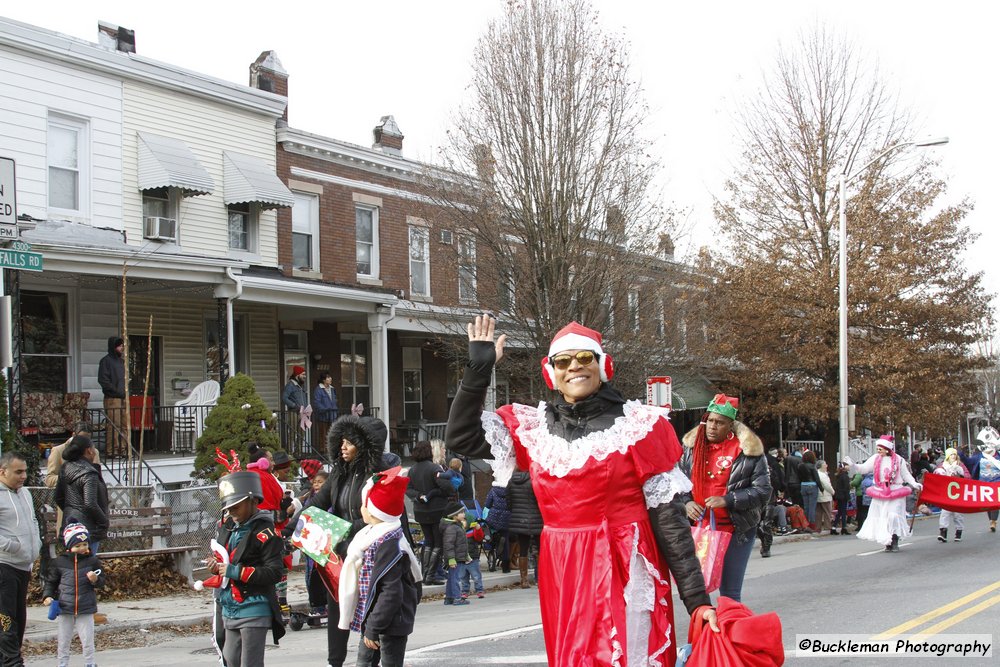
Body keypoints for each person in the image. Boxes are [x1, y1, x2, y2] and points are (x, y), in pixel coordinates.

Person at [446, 316, 717, 666]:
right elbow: (460, 437)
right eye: (563, 361)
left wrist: (698, 601)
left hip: (625, 565)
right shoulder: (532, 429)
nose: (574, 366)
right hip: (563, 570)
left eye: (585, 358)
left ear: (603, 366)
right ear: (551, 372)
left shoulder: (640, 426)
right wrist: (477, 371)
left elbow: (670, 524)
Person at [302, 414, 389, 667]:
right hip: (340, 555)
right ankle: (335, 662)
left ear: (363, 445)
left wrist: (343, 534)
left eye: (349, 442)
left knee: (369, 614)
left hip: (370, 554)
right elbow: (317, 505)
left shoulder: (379, 476)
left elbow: (377, 518)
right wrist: (293, 524)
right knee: (337, 609)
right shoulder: (339, 474)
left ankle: (370, 660)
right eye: (341, 441)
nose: (342, 447)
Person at [679, 394, 771, 602]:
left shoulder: (747, 450)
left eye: (719, 422)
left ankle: (730, 632)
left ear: (730, 425)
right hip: (699, 528)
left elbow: (763, 491)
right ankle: (707, 634)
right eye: (709, 420)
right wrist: (687, 502)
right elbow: (677, 484)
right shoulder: (691, 449)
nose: (712, 426)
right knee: (698, 591)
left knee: (729, 592)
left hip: (737, 529)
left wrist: (728, 499)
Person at [338, 466, 420, 667]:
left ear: (374, 510)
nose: (360, 509)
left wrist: (373, 627)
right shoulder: (374, 536)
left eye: (363, 505)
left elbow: (390, 592)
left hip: (388, 622)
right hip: (377, 618)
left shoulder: (388, 544)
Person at [844, 435, 922, 553]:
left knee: (893, 515)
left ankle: (894, 539)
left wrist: (914, 483)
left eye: (880, 448)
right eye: (878, 449)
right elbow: (863, 469)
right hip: (881, 492)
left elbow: (905, 474)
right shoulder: (875, 458)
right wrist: (853, 465)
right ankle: (887, 542)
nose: (878, 451)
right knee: (884, 518)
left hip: (895, 490)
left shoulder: (899, 459)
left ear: (887, 448)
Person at [0, 452, 43, 667]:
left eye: (25, 471)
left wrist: (37, 544)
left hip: (23, 565)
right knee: (5, 618)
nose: (23, 476)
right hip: (3, 565)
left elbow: (33, 520)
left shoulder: (24, 493)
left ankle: (7, 657)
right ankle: (12, 662)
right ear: (2, 472)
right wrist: (10, 545)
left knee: (19, 617)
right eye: (18, 472)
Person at [43, 522, 105, 667]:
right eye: (78, 545)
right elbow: (51, 582)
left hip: (85, 607)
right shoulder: (59, 562)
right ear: (69, 546)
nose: (82, 548)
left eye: (85, 544)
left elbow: (102, 581)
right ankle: (62, 663)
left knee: (88, 639)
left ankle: (90, 663)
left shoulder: (93, 561)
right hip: (65, 607)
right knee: (64, 639)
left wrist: (95, 580)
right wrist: (47, 596)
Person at [404, 441, 453, 586]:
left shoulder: (412, 470)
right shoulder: (434, 468)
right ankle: (430, 575)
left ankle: (425, 574)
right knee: (438, 543)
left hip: (420, 510)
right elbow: (447, 487)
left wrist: (419, 495)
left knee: (428, 541)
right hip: (437, 509)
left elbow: (409, 489)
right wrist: (439, 492)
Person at [54, 435, 109, 555]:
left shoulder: (65, 467)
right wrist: (104, 522)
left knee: (73, 567)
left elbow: (58, 497)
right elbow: (90, 504)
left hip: (70, 529)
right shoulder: (89, 473)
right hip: (88, 531)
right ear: (89, 450)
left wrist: (72, 510)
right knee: (86, 567)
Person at [506, 466, 543, 589]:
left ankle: (524, 580)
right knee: (539, 549)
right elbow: (540, 499)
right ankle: (541, 578)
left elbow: (508, 502)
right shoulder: (534, 480)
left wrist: (516, 512)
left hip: (519, 520)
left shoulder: (511, 482)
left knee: (523, 549)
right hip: (536, 519)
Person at [960, 430, 1000, 532]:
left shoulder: (998, 456)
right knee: (987, 504)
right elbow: (968, 461)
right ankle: (991, 519)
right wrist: (961, 453)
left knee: (995, 503)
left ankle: (993, 521)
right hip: (984, 484)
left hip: (997, 483)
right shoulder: (979, 456)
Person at [98, 336, 127, 456]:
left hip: (123, 398)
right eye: (120, 346)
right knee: (114, 425)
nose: (122, 348)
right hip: (112, 398)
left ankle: (123, 449)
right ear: (114, 347)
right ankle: (112, 450)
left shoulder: (121, 362)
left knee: (124, 425)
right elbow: (103, 380)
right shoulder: (106, 361)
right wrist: (115, 391)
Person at [934, 447, 971, 543]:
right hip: (947, 493)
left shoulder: (960, 465)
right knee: (945, 512)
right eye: (951, 455)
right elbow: (936, 476)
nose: (953, 456)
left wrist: (961, 473)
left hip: (958, 493)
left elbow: (968, 477)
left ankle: (958, 532)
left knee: (958, 514)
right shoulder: (942, 466)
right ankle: (943, 532)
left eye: (954, 454)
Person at [440, 502, 471, 606]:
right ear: (454, 515)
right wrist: (451, 559)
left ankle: (449, 598)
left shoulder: (457, 526)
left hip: (458, 557)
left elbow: (461, 543)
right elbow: (449, 545)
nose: (464, 514)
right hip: (455, 558)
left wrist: (466, 556)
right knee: (455, 578)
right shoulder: (452, 528)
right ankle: (457, 598)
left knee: (452, 577)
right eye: (461, 512)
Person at [757, 448, 784, 557]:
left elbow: (778, 484)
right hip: (757, 500)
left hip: (769, 499)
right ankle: (764, 542)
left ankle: (766, 547)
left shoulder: (771, 471)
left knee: (766, 523)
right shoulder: (751, 472)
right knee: (756, 524)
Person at [482, 482, 511, 572]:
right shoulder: (510, 491)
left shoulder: (493, 490)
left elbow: (487, 504)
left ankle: (492, 550)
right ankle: (506, 567)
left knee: (489, 532)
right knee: (505, 540)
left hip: (493, 517)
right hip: (506, 518)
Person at [282, 366, 310, 453]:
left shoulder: (301, 386)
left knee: (301, 433)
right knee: (292, 433)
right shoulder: (290, 385)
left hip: (303, 413)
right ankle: (290, 453)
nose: (304, 376)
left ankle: (299, 452)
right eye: (303, 374)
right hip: (294, 412)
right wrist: (294, 406)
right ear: (297, 375)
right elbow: (284, 398)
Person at [460, 519, 486, 599]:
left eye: (464, 521)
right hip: (461, 559)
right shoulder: (457, 532)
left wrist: (478, 528)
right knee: (463, 577)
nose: (462, 523)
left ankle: (479, 590)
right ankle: (464, 592)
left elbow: (479, 538)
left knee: (476, 576)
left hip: (472, 558)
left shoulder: (472, 531)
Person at [312, 372, 339, 450]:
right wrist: (325, 409)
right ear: (323, 380)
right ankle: (323, 450)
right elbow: (317, 402)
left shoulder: (332, 388)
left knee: (331, 433)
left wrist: (335, 409)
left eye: (330, 377)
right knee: (323, 434)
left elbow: (334, 400)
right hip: (323, 415)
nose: (330, 379)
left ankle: (330, 450)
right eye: (328, 377)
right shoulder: (319, 389)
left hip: (332, 414)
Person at [798, 450, 821, 531]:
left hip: (803, 485)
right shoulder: (812, 466)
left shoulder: (800, 466)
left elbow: (799, 477)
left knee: (806, 506)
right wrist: (821, 488)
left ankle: (805, 524)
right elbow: (817, 479)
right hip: (812, 485)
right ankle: (812, 524)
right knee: (812, 507)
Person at [831, 462, 853, 535]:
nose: (849, 467)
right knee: (843, 512)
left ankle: (834, 527)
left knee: (840, 512)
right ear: (844, 467)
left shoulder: (839, 475)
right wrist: (849, 498)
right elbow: (846, 488)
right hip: (843, 496)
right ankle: (844, 528)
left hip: (839, 496)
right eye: (847, 466)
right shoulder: (845, 476)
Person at [816, 460, 835, 535]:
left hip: (819, 495)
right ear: (821, 466)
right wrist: (832, 491)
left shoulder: (819, 473)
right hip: (825, 495)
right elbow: (826, 485)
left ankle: (818, 527)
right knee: (827, 511)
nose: (826, 465)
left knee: (818, 512)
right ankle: (827, 526)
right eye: (825, 464)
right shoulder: (822, 475)